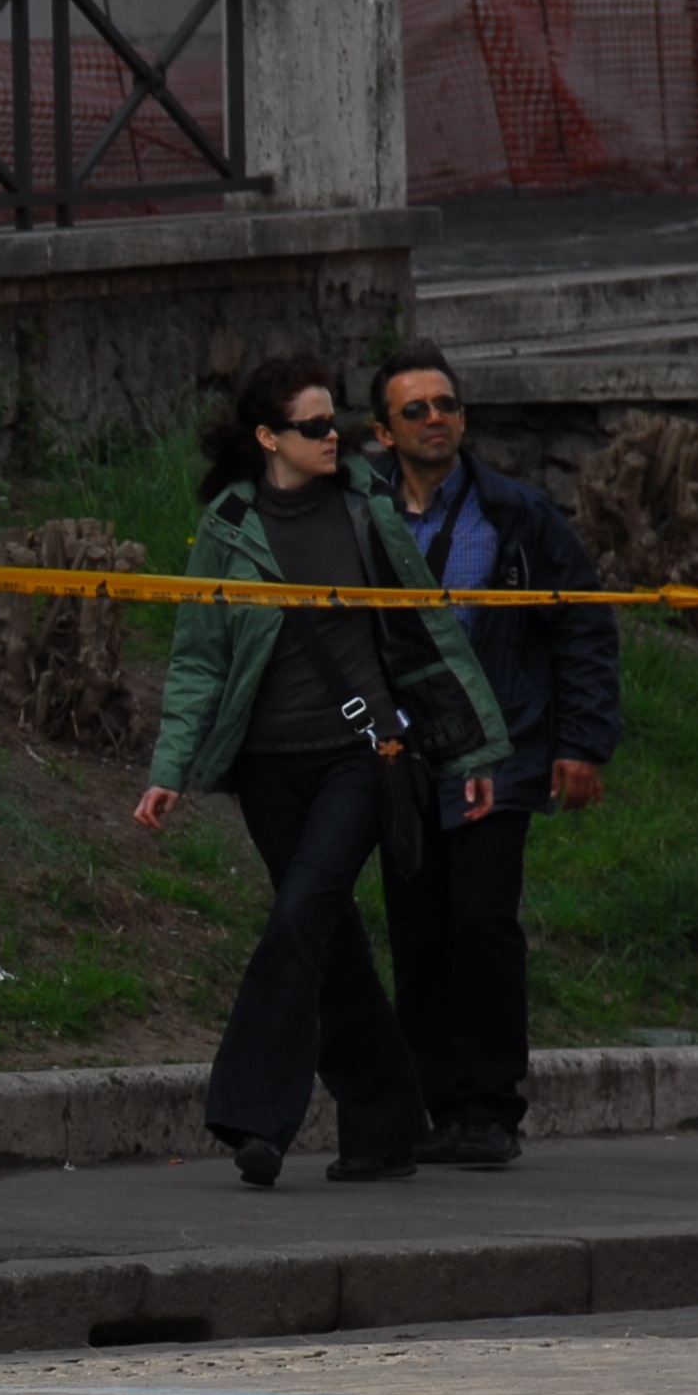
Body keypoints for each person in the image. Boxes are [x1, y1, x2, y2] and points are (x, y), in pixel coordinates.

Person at [132, 352, 508, 1188]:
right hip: (268, 768)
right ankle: (384, 1128)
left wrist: (473, 750)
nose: (332, 437)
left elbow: (429, 630)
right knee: (329, 938)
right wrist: (171, 768)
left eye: (335, 422)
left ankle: (253, 1117)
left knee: (302, 913)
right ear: (269, 437)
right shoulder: (229, 528)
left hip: (363, 755)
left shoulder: (368, 506)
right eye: (312, 426)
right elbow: (198, 657)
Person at [362, 342, 621, 1170]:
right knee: (419, 928)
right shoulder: (363, 519)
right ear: (383, 431)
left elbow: (582, 627)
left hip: (503, 748)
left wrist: (581, 744)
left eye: (448, 404)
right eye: (417, 409)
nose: (437, 419)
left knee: (482, 922)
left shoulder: (517, 515)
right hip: (405, 757)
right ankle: (437, 1103)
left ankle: (491, 1108)